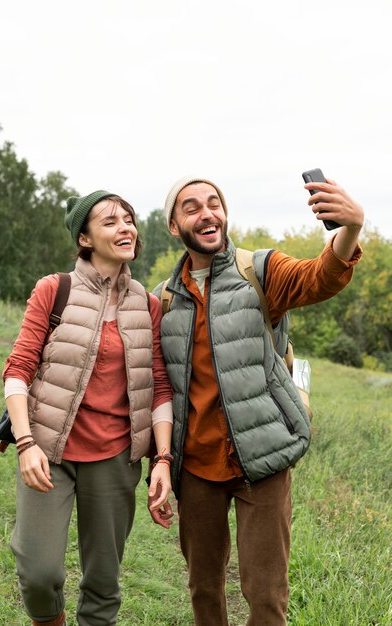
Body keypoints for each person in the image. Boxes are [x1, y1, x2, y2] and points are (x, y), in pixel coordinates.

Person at [153, 175, 364, 626]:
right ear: (174, 225)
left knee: (267, 599)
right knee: (204, 591)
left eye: (214, 203)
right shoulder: (164, 301)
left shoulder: (259, 271)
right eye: (191, 207)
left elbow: (320, 278)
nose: (207, 213)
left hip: (264, 462)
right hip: (196, 470)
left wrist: (350, 229)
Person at [3, 190, 174, 626]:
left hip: (115, 457)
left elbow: (158, 386)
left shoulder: (147, 305)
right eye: (111, 222)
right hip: (48, 452)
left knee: (103, 581)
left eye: (129, 219)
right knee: (39, 572)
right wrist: (25, 443)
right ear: (85, 238)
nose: (126, 228)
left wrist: (163, 459)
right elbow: (19, 368)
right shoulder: (54, 290)